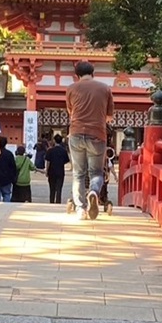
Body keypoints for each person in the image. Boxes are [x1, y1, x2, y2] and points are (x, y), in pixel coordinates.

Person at [65, 60, 114, 220]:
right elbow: (109, 117)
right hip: (97, 135)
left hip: (76, 133)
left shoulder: (71, 89)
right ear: (93, 73)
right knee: (96, 172)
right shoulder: (105, 88)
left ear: (77, 75)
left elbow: (71, 112)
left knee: (78, 174)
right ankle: (93, 191)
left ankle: (81, 209)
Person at [43, 133, 69, 204]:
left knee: (52, 188)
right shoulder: (64, 151)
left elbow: (47, 161)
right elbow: (66, 160)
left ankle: (51, 201)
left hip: (52, 171)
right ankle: (58, 202)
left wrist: (47, 170)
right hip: (60, 171)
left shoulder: (50, 151)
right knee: (59, 189)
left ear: (54, 141)